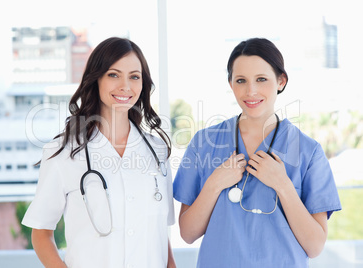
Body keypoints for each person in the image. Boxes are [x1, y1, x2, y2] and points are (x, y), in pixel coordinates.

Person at [173, 37, 341, 268]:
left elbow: (315, 246)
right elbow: (188, 233)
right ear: (231, 83)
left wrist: (282, 185)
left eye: (261, 79)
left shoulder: (308, 152)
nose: (251, 91)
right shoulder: (204, 143)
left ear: (281, 81)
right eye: (241, 80)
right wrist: (214, 184)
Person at [22, 37, 176, 268]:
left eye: (134, 76)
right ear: (96, 79)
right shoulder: (64, 152)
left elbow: (158, 232)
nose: (125, 86)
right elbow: (41, 233)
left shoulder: (157, 150)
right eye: (114, 75)